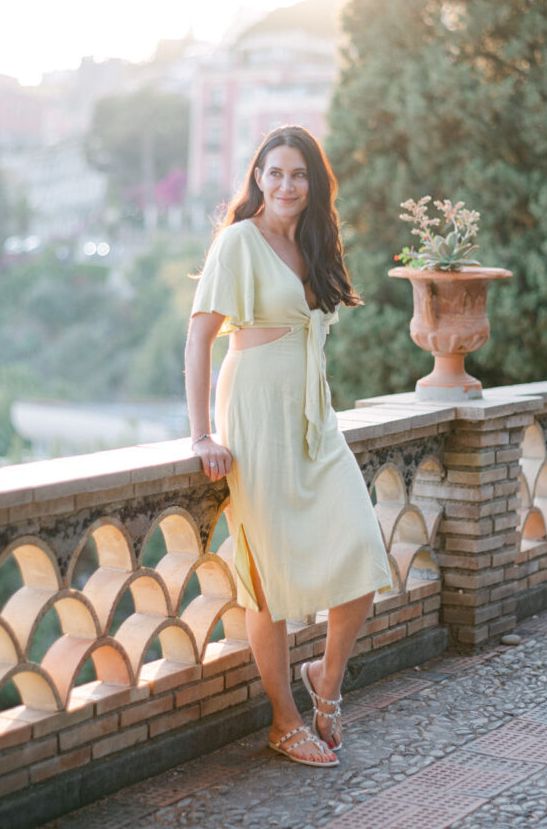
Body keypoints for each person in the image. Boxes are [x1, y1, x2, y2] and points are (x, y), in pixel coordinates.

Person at [184, 125, 392, 768]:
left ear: (313, 183)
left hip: (313, 418)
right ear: (258, 178)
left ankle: (326, 681)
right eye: (274, 173)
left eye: (298, 174)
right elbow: (199, 340)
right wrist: (200, 434)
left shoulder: (315, 242)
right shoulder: (238, 243)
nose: (286, 185)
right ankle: (283, 721)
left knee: (361, 546)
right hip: (255, 416)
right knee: (266, 579)